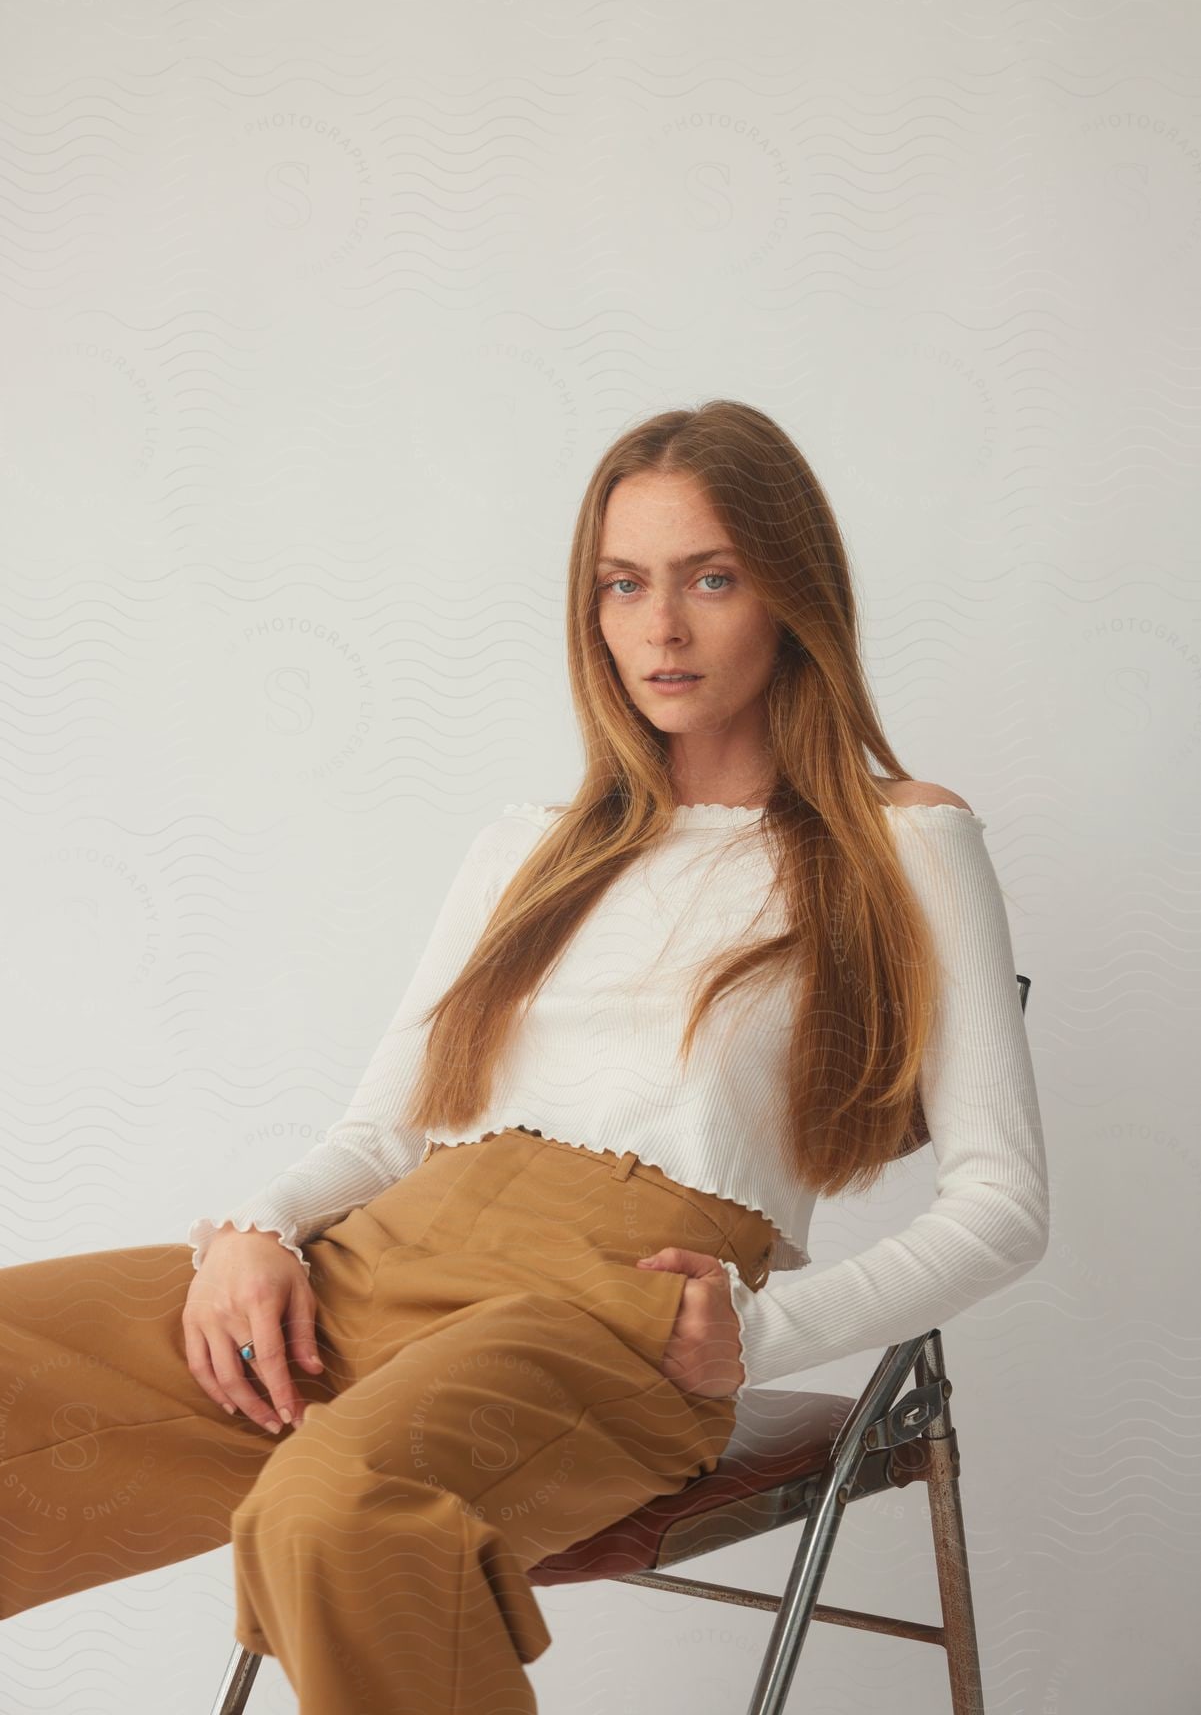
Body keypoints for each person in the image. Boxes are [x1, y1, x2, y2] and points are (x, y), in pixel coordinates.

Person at [0, 399, 1049, 1714]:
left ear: (790, 593)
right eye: (624, 586)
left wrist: (761, 1336)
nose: (660, 629)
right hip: (384, 1258)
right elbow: (386, 1132)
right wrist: (257, 1232)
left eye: (709, 579)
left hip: (610, 1310)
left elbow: (1004, 1206)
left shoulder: (905, 843)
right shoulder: (529, 846)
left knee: (333, 1515)